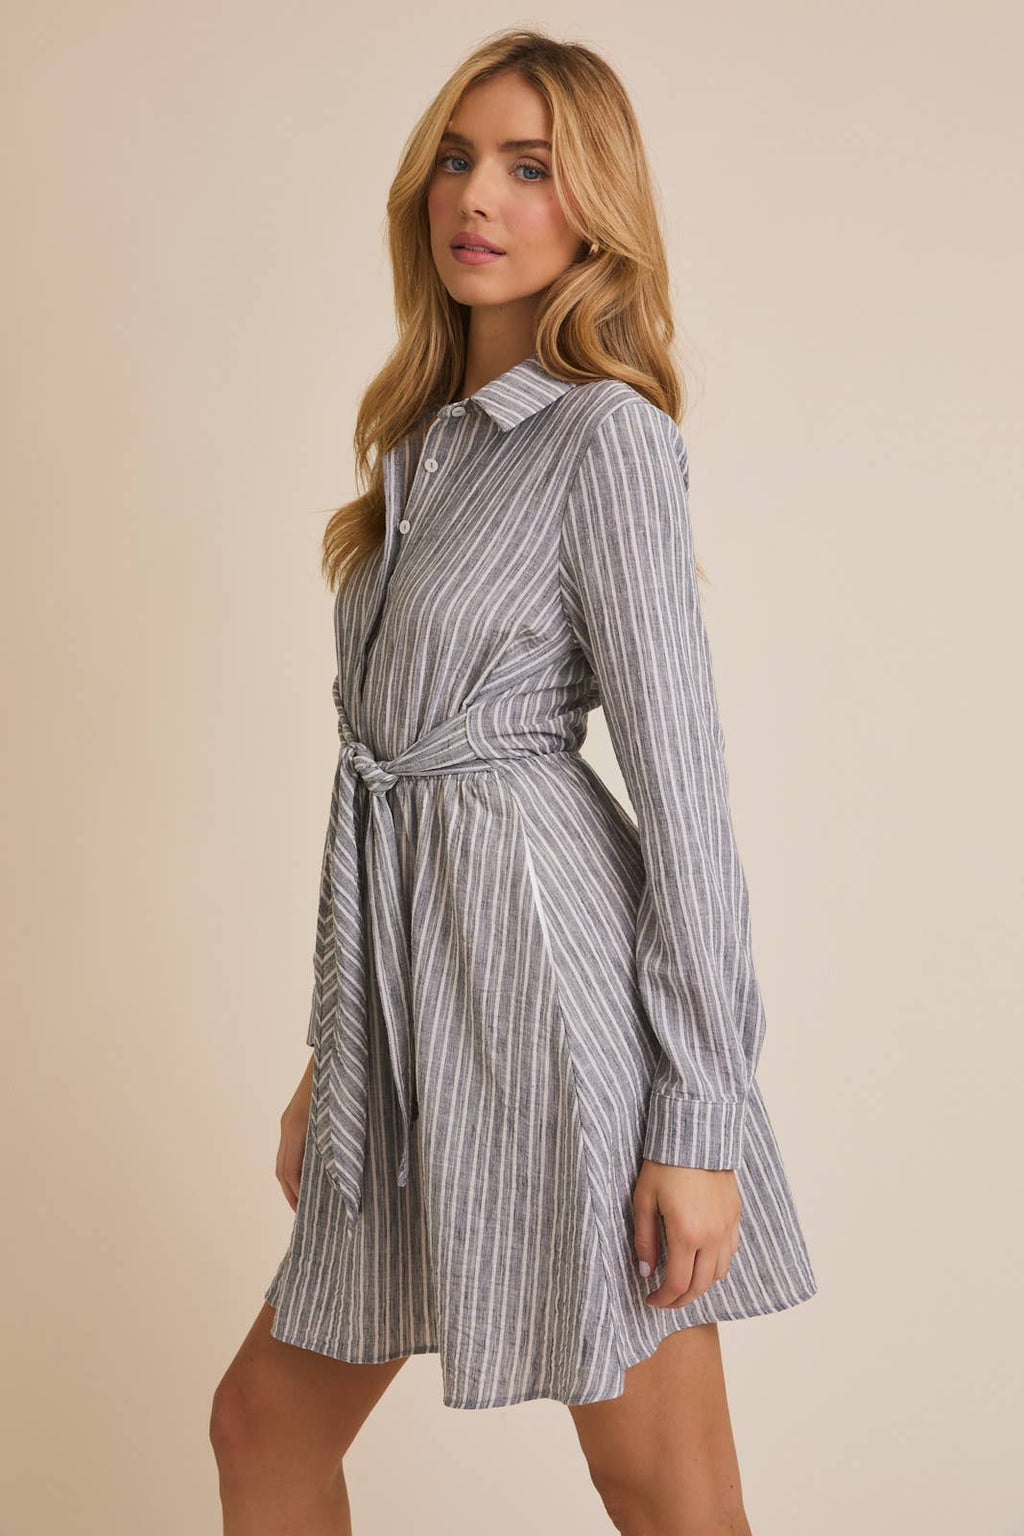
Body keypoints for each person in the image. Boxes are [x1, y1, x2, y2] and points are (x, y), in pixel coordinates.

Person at [210, 28, 817, 1536]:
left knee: (662, 1488)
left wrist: (698, 1115)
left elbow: (685, 790)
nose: (479, 195)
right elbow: (389, 785)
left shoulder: (605, 438)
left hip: (557, 1006)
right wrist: (330, 1056)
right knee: (262, 1422)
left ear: (591, 211)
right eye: (460, 158)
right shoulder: (419, 452)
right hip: (412, 1019)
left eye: (532, 168)